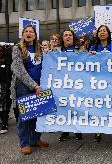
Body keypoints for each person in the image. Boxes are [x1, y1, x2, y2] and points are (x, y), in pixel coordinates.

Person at [10, 25, 48, 155]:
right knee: (24, 116)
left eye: (31, 32)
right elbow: (19, 70)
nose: (28, 33)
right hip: (24, 86)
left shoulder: (40, 49)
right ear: (22, 35)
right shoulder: (17, 48)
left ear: (35, 35)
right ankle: (25, 143)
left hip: (38, 85)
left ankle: (35, 139)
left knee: (36, 114)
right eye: (26, 31)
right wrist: (34, 85)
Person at [89, 25, 112, 142]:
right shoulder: (93, 46)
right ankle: (98, 131)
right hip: (98, 82)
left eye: (104, 31)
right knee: (99, 106)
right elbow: (87, 62)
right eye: (100, 31)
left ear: (109, 33)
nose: (102, 33)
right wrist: (90, 56)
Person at [55, 28, 83, 141]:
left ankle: (78, 131)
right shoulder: (56, 50)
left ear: (73, 37)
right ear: (62, 38)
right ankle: (64, 131)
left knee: (76, 107)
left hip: (76, 83)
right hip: (62, 83)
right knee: (63, 107)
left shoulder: (81, 50)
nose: (68, 37)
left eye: (70, 35)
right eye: (65, 35)